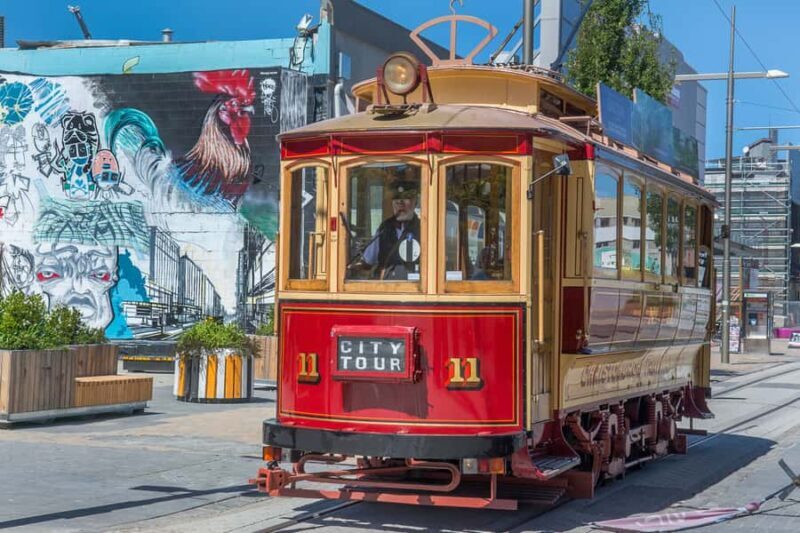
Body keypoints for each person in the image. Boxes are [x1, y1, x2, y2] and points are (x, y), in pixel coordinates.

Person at [354, 180, 421, 280]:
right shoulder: (384, 228)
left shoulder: (423, 229)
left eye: (405, 199)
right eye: (396, 201)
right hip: (387, 288)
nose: (400, 204)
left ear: (415, 201)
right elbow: (368, 260)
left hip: (415, 288)